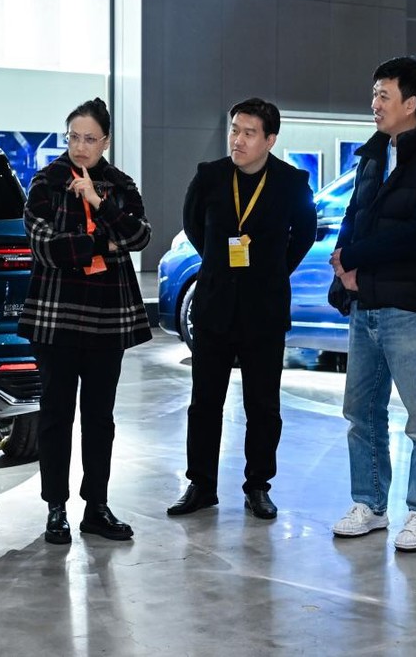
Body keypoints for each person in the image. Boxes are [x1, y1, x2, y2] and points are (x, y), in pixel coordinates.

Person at [327, 56, 416, 552]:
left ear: (411, 103)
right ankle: (369, 504)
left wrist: (357, 256)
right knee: (360, 411)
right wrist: (342, 264)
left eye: (383, 95)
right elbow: (354, 215)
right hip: (365, 302)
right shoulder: (371, 154)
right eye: (374, 94)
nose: (375, 104)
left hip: (411, 306)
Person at [168, 97, 317, 520]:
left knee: (263, 405)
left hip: (264, 309)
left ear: (270, 139)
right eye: (235, 130)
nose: (238, 140)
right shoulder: (210, 176)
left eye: (249, 133)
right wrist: (220, 264)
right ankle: (201, 484)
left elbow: (304, 234)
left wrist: (272, 270)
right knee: (204, 402)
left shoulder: (291, 182)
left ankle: (258, 485)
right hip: (214, 306)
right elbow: (194, 227)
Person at [18, 97, 152, 545]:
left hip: (106, 316)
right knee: (56, 415)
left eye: (89, 139)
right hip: (55, 315)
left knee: (100, 417)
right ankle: (55, 508)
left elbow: (139, 235)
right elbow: (44, 246)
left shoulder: (120, 185)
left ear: (105, 141)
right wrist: (101, 245)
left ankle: (97, 506)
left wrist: (99, 202)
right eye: (73, 137)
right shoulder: (46, 182)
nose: (79, 146)